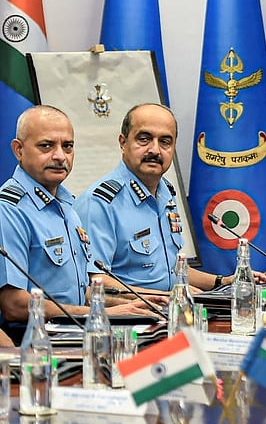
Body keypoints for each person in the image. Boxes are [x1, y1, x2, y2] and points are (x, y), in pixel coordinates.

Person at [74, 104, 266, 294]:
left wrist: (224, 282)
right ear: (123, 143)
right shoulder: (100, 202)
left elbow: (169, 270)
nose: (155, 150)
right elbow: (95, 282)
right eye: (144, 139)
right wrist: (171, 297)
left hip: (169, 312)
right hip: (130, 319)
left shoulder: (165, 192)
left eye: (165, 141)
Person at [0, 106, 158, 336]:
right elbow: (14, 305)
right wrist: (91, 313)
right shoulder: (9, 209)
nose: (59, 156)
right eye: (46, 146)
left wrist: (136, 304)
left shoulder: (66, 205)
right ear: (18, 150)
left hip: (78, 330)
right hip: (36, 342)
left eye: (68, 146)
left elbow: (78, 290)